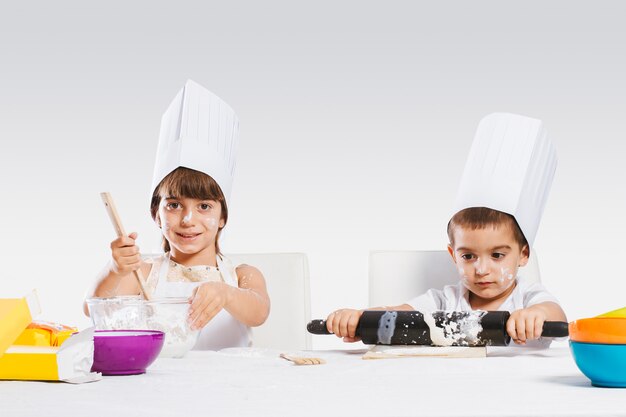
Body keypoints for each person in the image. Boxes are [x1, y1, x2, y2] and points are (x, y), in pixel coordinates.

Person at [325, 113, 567, 347]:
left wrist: (534, 316)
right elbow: (398, 313)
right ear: (453, 255)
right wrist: (360, 317)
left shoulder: (527, 297)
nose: (481, 269)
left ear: (523, 254)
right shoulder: (445, 301)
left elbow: (555, 316)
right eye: (468, 256)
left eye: (497, 255)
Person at [86, 80, 270, 350]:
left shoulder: (241, 276)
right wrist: (115, 270)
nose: (187, 219)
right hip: (162, 387)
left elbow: (259, 312)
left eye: (204, 206)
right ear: (156, 215)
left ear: (222, 218)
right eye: (174, 205)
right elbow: (95, 307)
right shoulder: (144, 273)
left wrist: (225, 293)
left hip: (229, 388)